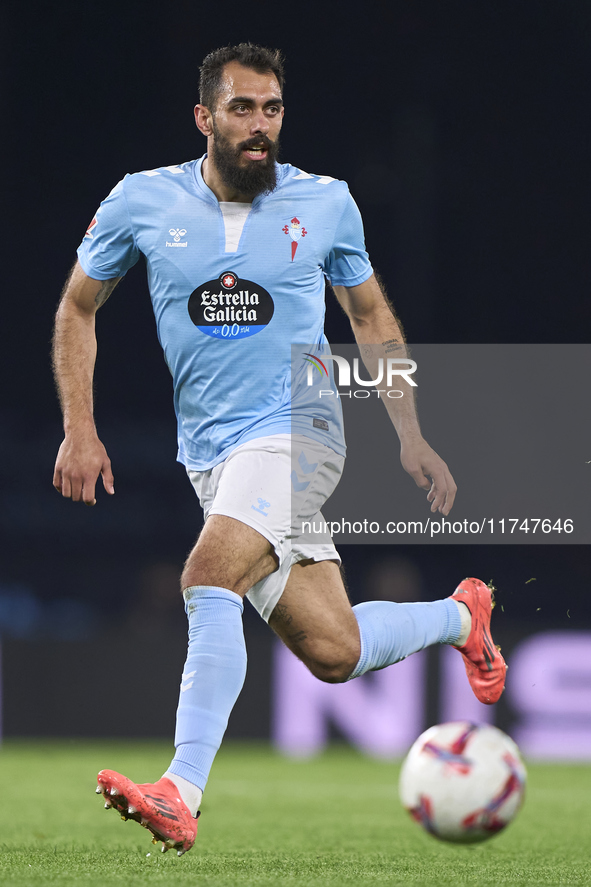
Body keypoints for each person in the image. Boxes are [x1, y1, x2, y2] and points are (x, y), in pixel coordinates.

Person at [52, 43, 506, 856]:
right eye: (242, 109)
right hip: (212, 455)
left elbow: (369, 318)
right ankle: (459, 615)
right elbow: (78, 308)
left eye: (271, 110)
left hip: (301, 428)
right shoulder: (140, 201)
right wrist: (79, 426)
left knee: (204, 573)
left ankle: (179, 790)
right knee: (333, 650)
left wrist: (408, 431)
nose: (260, 126)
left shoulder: (325, 202)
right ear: (205, 117)